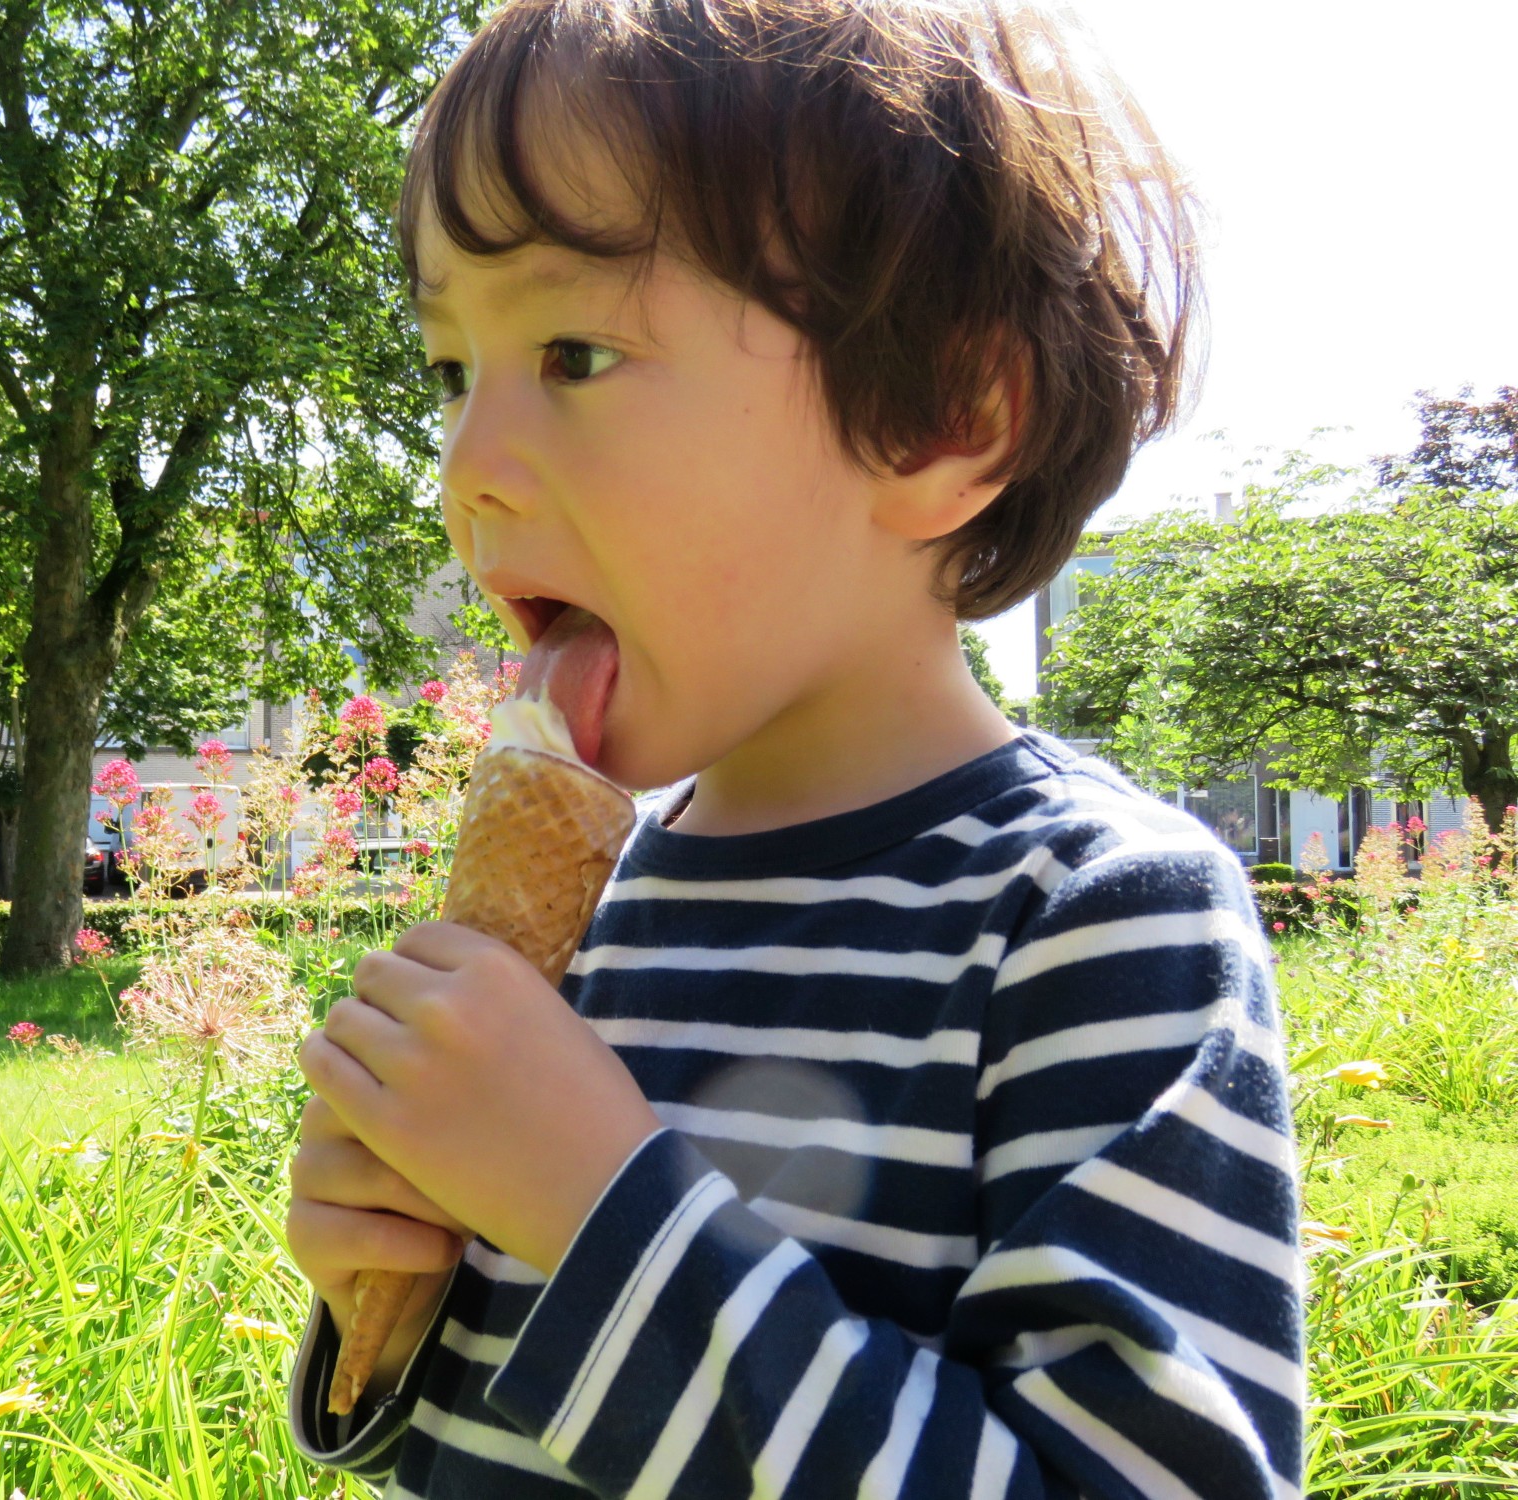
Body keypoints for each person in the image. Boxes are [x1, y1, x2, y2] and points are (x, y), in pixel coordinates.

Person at [283, 1, 1302, 1495]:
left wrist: (597, 1209)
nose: (466, 476)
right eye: (451, 371)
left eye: (571, 351)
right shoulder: (590, 909)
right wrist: (395, 1293)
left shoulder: (1092, 918)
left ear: (944, 421)